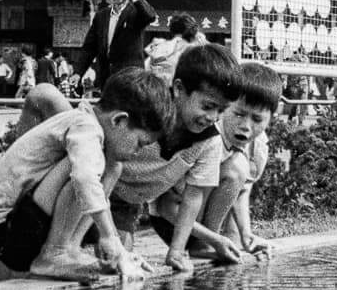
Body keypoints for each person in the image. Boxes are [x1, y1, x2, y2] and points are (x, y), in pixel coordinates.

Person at [0, 67, 168, 280]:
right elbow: (83, 178)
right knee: (88, 167)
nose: (137, 153)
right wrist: (111, 238)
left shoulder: (84, 123)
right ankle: (55, 252)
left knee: (113, 165)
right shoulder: (86, 127)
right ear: (119, 120)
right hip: (7, 236)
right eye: (140, 143)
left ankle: (69, 248)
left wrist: (121, 252)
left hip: (23, 228)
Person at [97, 42, 243, 273]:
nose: (212, 117)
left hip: (126, 205)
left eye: (220, 111)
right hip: (97, 185)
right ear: (178, 88)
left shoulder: (208, 141)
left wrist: (176, 250)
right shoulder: (146, 110)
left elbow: (193, 197)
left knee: (119, 266)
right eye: (207, 106)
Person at [154, 59, 278, 261]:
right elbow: (165, 207)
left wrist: (247, 235)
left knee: (238, 168)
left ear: (271, 117)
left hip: (203, 221)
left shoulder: (259, 145)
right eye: (238, 114)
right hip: (173, 221)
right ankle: (204, 244)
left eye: (257, 119)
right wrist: (212, 239)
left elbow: (241, 190)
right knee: (236, 166)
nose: (246, 126)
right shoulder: (206, 137)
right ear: (225, 107)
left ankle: (214, 243)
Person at [76, 0, 157, 89]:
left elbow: (150, 16)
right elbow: (89, 48)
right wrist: (78, 72)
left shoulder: (135, 13)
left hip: (130, 80)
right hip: (106, 79)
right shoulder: (101, 16)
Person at [145, 14, 198, 88]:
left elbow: (146, 69)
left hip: (156, 90)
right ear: (193, 32)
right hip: (180, 91)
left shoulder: (157, 46)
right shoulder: (193, 51)